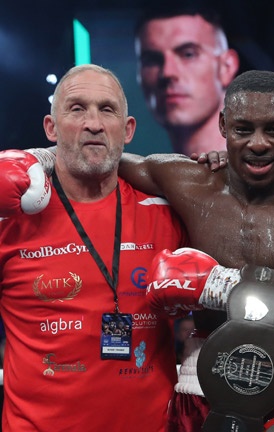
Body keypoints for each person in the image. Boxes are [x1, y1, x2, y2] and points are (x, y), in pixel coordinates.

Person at [117, 70, 274, 431]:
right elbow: (104, 160)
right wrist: (39, 160)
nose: (258, 143)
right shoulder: (188, 181)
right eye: (243, 129)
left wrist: (219, 285)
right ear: (222, 125)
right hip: (203, 382)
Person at [0, 64, 186, 431]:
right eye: (76, 109)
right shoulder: (9, 222)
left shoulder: (169, 215)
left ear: (128, 129)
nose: (94, 123)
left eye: (107, 109)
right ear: (50, 128)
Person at [134, 5, 274, 183]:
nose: (167, 72)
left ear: (227, 67)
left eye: (188, 54)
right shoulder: (152, 177)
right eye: (152, 60)